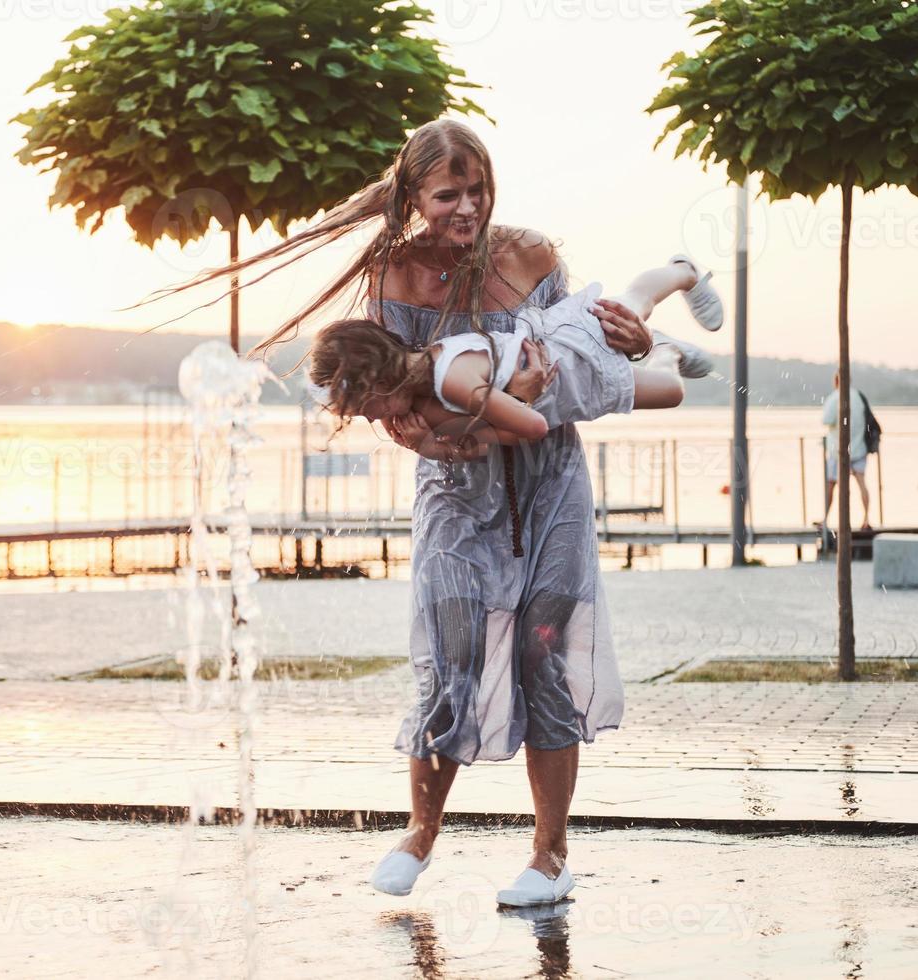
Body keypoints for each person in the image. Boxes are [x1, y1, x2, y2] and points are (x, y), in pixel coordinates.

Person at [149, 119, 683, 908]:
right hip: (456, 496)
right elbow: (387, 407)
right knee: (449, 660)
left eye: (478, 190)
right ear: (411, 197)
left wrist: (636, 344)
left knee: (544, 655)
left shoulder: (531, 255)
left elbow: (577, 359)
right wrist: (447, 435)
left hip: (549, 485)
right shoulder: (393, 277)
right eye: (447, 195)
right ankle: (421, 832)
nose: (467, 208)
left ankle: (549, 855)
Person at [306, 259, 722, 455]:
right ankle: (664, 346)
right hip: (575, 384)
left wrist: (515, 403)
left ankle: (683, 273)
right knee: (668, 386)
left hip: (570, 351)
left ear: (379, 381)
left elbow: (533, 426)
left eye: (366, 410)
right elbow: (485, 445)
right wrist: (428, 445)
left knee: (637, 303)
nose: (376, 419)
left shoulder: (453, 379)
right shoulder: (430, 398)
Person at [821, 370, 873, 531]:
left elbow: (826, 420)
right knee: (862, 483)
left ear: (836, 382)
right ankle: (866, 519)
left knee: (831, 484)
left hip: (838, 451)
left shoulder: (834, 397)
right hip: (859, 448)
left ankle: (825, 521)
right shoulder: (859, 397)